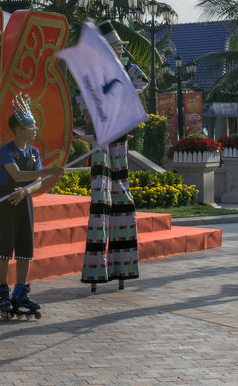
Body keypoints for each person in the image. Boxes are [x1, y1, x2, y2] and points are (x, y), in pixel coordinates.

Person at [81, 21, 146, 292]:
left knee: (123, 203)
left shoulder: (124, 75)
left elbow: (142, 80)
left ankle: (123, 268)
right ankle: (97, 270)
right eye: (115, 49)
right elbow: (85, 108)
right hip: (101, 143)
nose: (119, 53)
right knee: (101, 205)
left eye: (120, 50)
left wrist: (122, 65)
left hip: (118, 143)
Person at [0, 95, 65, 317]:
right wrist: (48, 171)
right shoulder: (6, 150)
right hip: (7, 202)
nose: (35, 129)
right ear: (21, 129)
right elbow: (17, 174)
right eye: (31, 126)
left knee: (25, 252)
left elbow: (36, 183)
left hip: (24, 202)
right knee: (4, 252)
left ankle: (21, 292)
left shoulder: (34, 152)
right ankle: (2, 294)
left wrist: (26, 191)